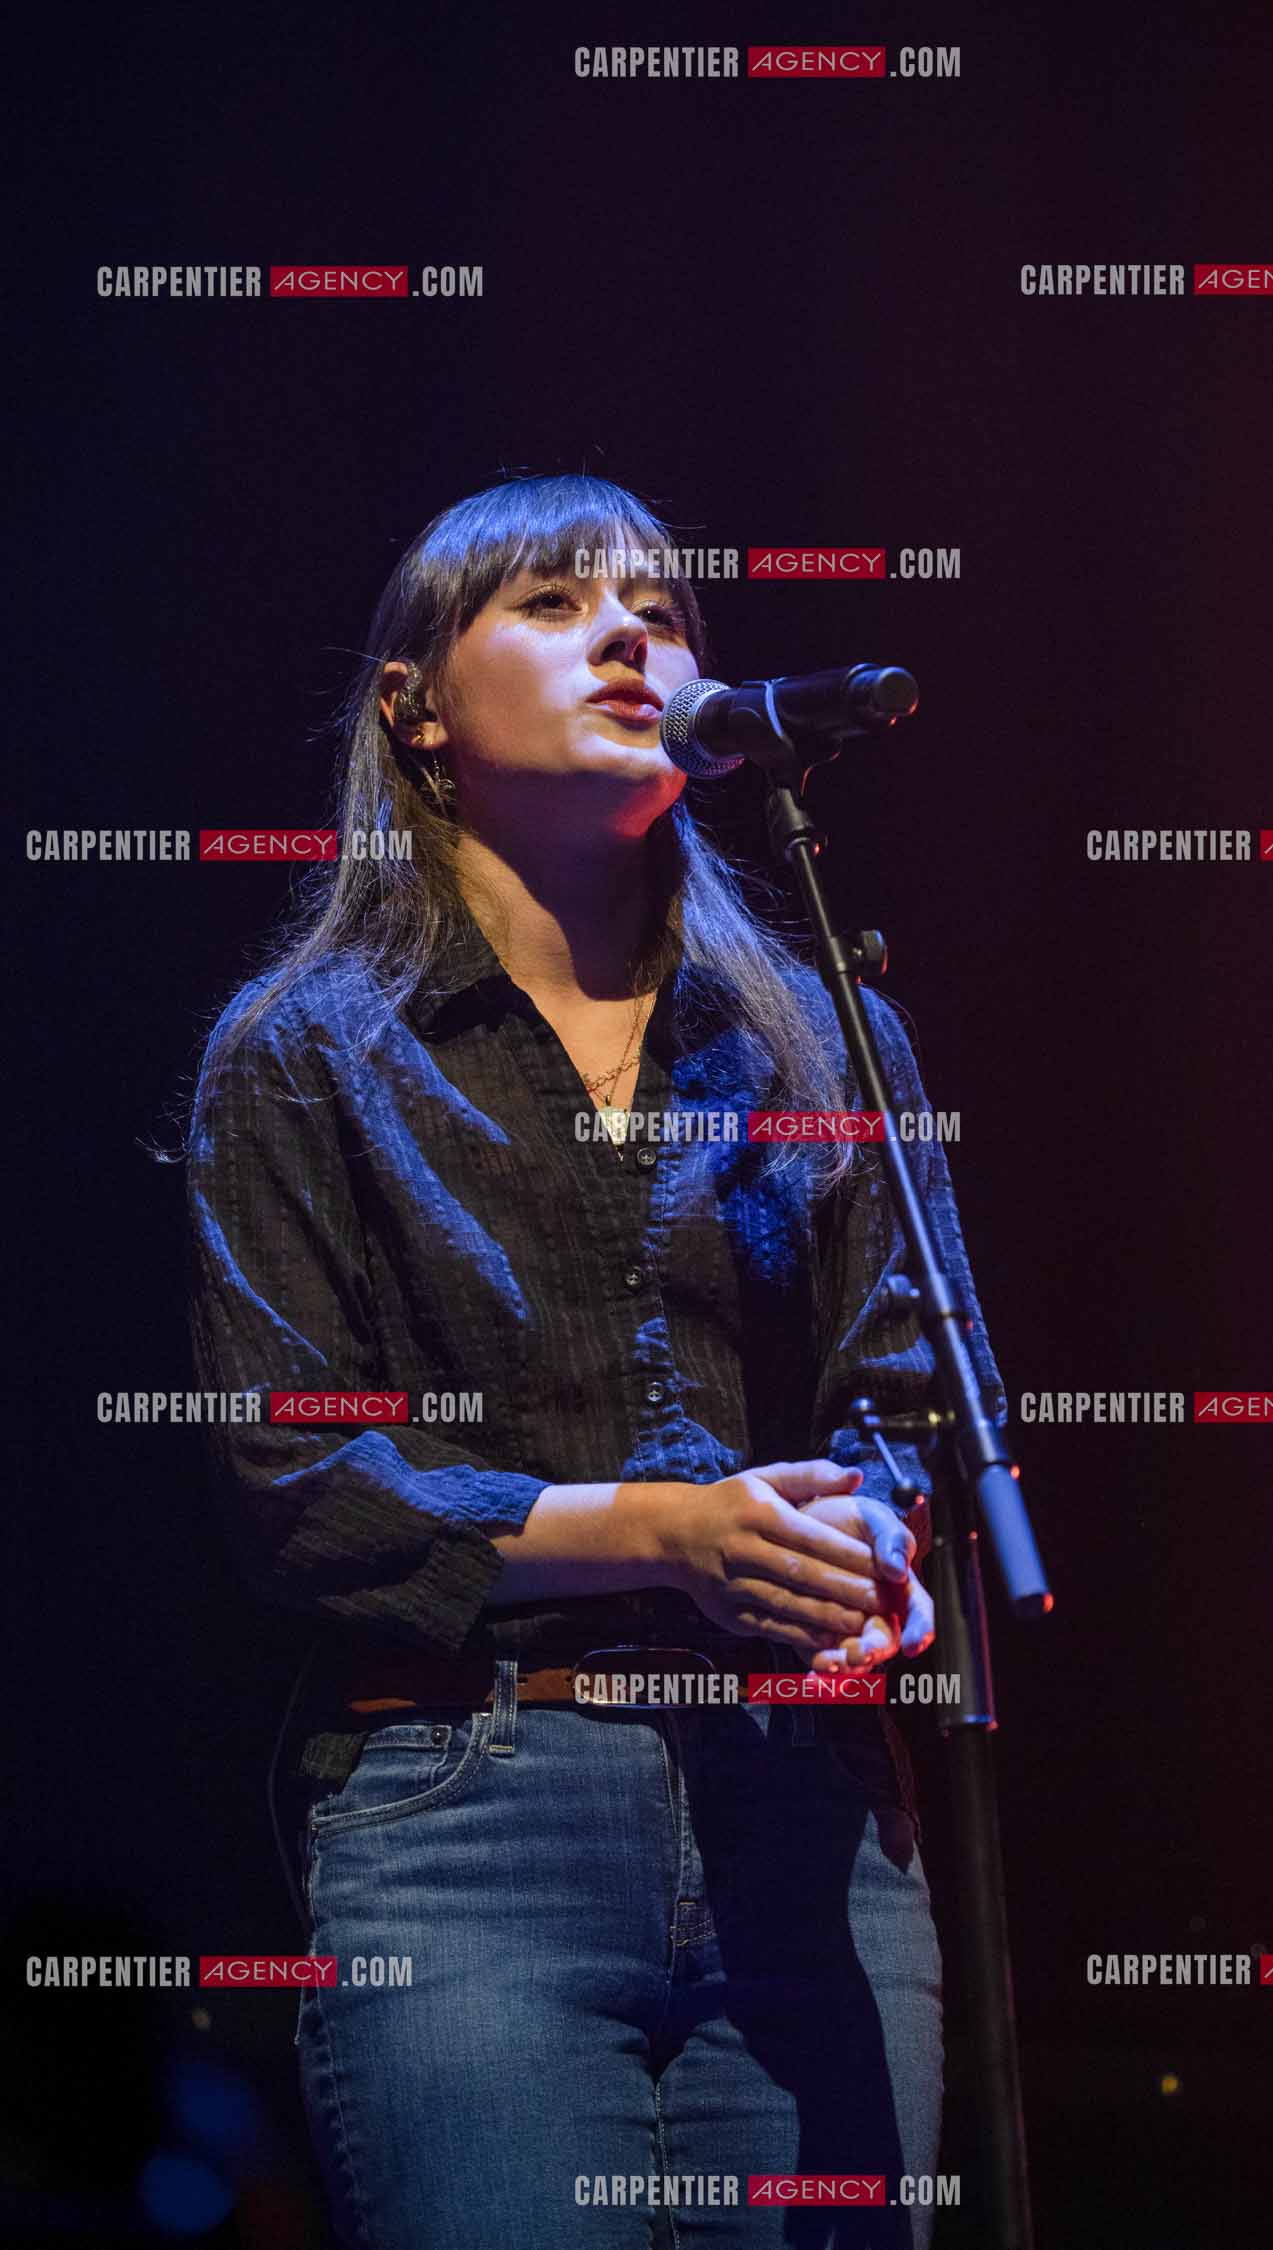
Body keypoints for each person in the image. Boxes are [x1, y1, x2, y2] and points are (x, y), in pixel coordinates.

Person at [187, 473, 1008, 2249]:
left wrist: (871, 1541)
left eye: (660, 609)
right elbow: (301, 1482)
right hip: (475, 1825)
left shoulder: (822, 1037)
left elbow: (917, 1399)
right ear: (415, 705)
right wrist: (662, 1529)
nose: (632, 635)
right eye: (553, 605)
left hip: (811, 1826)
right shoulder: (303, 1054)